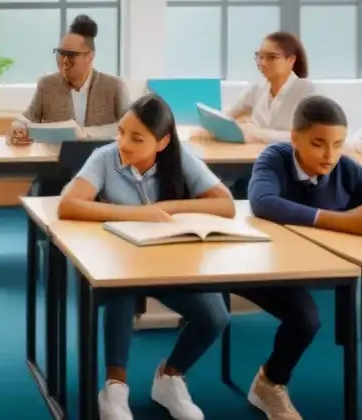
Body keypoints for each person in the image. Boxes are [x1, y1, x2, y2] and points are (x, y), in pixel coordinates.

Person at [58, 94, 235, 420]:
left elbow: (225, 205)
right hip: (121, 262)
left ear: (163, 142)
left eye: (136, 138)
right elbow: (69, 205)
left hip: (172, 262)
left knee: (217, 318)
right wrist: (137, 214)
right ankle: (114, 387)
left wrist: (168, 208)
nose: (124, 143)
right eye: (122, 132)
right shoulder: (105, 158)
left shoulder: (181, 159)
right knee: (121, 292)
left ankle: (169, 377)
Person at [247, 95, 362, 420]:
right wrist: (342, 220)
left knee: (317, 315)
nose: (330, 155)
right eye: (319, 143)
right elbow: (263, 201)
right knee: (306, 320)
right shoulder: (275, 157)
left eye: (338, 144)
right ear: (294, 138)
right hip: (266, 264)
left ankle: (269, 382)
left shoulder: (345, 167)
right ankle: (269, 384)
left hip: (319, 264)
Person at [9, 13, 130, 144]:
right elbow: (26, 119)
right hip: (55, 161)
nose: (64, 61)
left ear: (90, 56)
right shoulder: (47, 84)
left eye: (72, 55)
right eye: (61, 53)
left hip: (102, 160)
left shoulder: (114, 86)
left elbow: (129, 126)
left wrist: (84, 134)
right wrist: (17, 127)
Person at [220, 32, 314, 143]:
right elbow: (227, 115)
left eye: (271, 57)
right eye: (260, 56)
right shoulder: (256, 89)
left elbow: (310, 135)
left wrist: (260, 134)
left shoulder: (306, 90)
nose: (262, 63)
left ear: (291, 60)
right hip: (255, 155)